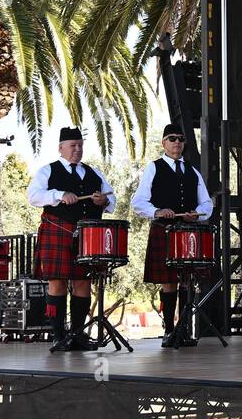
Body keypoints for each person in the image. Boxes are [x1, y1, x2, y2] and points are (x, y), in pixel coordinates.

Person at [27, 127, 117, 352]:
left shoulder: (93, 173)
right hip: (58, 230)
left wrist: (103, 202)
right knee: (57, 283)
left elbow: (111, 199)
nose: (77, 150)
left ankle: (78, 336)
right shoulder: (48, 171)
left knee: (83, 284)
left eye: (80, 145)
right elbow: (34, 196)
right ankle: (58, 336)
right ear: (61, 148)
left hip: (89, 236)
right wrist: (59, 195)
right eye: (72, 146)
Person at [132, 124, 214, 347]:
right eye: (171, 138)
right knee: (169, 283)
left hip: (188, 231)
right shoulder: (153, 168)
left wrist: (196, 214)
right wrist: (157, 211)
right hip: (164, 229)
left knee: (187, 282)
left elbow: (207, 203)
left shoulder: (192, 171)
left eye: (180, 138)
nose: (176, 142)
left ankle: (184, 330)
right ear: (163, 143)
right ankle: (169, 330)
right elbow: (138, 202)